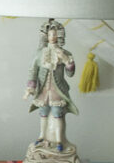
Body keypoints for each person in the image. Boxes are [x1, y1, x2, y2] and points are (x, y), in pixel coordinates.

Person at [24, 19, 77, 152]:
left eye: (54, 34)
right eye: (50, 34)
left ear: (59, 35)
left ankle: (59, 140)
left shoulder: (65, 53)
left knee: (57, 113)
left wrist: (66, 61)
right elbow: (33, 71)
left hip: (57, 90)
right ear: (46, 36)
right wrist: (30, 87)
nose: (52, 37)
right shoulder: (39, 53)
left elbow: (70, 74)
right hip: (43, 90)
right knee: (43, 112)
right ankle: (42, 136)